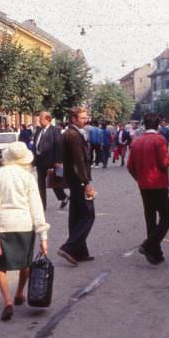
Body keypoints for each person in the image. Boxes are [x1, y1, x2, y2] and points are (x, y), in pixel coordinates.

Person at [0, 142, 49, 321]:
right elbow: (36, 206)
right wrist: (43, 235)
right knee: (25, 263)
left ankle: (7, 301)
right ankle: (19, 292)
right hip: (24, 224)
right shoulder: (28, 177)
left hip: (3, 224)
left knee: (0, 266)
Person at [127, 112, 169, 264]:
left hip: (144, 185)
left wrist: (139, 178)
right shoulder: (159, 139)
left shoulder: (136, 141)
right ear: (158, 124)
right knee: (167, 217)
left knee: (150, 219)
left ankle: (155, 254)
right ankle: (148, 246)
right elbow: (164, 163)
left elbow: (130, 166)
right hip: (158, 183)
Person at [57, 106, 96, 266]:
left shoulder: (69, 133)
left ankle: (80, 252)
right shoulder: (73, 136)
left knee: (76, 216)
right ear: (73, 119)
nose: (86, 120)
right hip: (78, 181)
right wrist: (86, 183)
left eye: (86, 117)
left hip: (73, 181)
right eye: (82, 118)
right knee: (88, 215)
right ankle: (69, 248)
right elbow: (78, 162)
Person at [33, 111, 69, 210]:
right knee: (41, 184)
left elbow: (58, 147)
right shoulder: (38, 130)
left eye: (41, 119)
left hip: (51, 162)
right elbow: (35, 145)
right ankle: (42, 205)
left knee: (54, 182)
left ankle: (63, 197)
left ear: (48, 119)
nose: (39, 121)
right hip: (40, 161)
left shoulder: (55, 131)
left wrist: (58, 161)